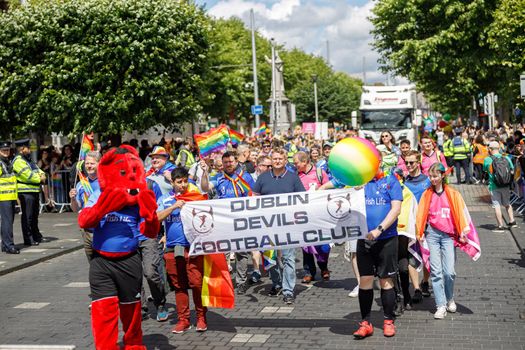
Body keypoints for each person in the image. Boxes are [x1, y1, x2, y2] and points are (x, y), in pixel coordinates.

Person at [78, 145, 160, 350]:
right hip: (101, 263)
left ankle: (133, 345)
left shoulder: (138, 199)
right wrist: (106, 205)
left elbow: (149, 232)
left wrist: (151, 217)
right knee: (103, 310)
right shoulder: (99, 193)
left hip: (129, 261)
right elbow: (84, 220)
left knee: (131, 311)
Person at [353, 160, 402, 339]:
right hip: (363, 239)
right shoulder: (360, 183)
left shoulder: (391, 181)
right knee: (364, 281)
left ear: (379, 163)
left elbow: (396, 209)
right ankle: (366, 323)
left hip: (386, 239)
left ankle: (388, 321)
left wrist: (379, 229)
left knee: (385, 280)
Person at [157, 167, 208, 333]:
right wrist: (173, 207)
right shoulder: (165, 199)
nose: (183, 185)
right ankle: (183, 320)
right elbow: (156, 218)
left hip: (193, 248)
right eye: (179, 182)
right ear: (172, 182)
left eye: (185, 181)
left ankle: (201, 317)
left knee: (196, 283)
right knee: (179, 286)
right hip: (173, 248)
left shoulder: (194, 198)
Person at [415, 163, 469, 319]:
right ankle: (440, 305)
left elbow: (459, 213)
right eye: (430, 176)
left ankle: (449, 297)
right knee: (436, 272)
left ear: (442, 176)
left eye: (435, 176)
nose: (432, 179)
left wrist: (463, 232)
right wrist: (420, 232)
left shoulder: (453, 194)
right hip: (432, 234)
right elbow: (421, 214)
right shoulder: (427, 194)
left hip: (448, 236)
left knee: (449, 272)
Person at [253, 148, 305, 304]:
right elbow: (253, 199)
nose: (277, 161)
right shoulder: (262, 178)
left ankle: (288, 290)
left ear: (285, 160)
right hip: (267, 226)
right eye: (274, 159)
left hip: (288, 225)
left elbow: (302, 199)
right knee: (270, 258)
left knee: (289, 258)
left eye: (280, 159)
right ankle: (277, 283)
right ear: (271, 160)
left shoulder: (293, 178)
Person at [200, 151, 255, 294]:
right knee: (223, 251)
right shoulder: (218, 178)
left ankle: (241, 281)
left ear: (236, 162)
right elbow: (205, 188)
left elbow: (254, 196)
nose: (228, 165)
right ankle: (225, 279)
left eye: (231, 162)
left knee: (241, 252)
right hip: (223, 220)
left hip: (241, 220)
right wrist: (205, 172)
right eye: (226, 163)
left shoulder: (245, 177)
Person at [293, 151, 331, 282]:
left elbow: (330, 189)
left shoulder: (320, 173)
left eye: (296, 163)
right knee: (306, 244)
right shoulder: (295, 175)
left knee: (322, 244)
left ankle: (324, 267)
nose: (294, 165)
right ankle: (309, 271)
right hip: (304, 215)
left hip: (320, 214)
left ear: (305, 162)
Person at [402, 151, 432, 303]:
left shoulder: (427, 181)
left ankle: (425, 282)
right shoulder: (404, 181)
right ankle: (417, 288)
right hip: (410, 225)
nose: (408, 165)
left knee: (427, 255)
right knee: (411, 254)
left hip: (426, 223)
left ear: (418, 162)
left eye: (411, 162)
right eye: (406, 162)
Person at [12, 139, 47, 246]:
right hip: (25, 192)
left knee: (34, 215)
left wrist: (43, 174)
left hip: (34, 191)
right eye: (28, 147)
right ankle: (28, 238)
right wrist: (40, 179)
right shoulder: (18, 161)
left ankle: (36, 235)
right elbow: (28, 175)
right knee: (28, 216)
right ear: (22, 149)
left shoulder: (28, 159)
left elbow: (37, 169)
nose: (30, 150)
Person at [69, 151, 101, 261]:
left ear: (99, 164)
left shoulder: (105, 182)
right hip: (87, 230)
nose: (89, 166)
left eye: (92, 163)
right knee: (92, 262)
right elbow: (76, 209)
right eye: (87, 163)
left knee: (103, 264)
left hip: (102, 228)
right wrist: (72, 198)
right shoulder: (80, 184)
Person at [483, 141, 516, 232]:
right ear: (499, 148)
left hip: (494, 186)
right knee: (507, 203)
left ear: (490, 149)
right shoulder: (506, 158)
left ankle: (500, 226)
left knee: (497, 206)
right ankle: (512, 221)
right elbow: (512, 169)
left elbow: (485, 170)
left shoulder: (487, 159)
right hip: (505, 185)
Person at [0, 141, 19, 254]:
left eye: (7, 150)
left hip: (10, 196)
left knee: (8, 221)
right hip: (3, 197)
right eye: (3, 150)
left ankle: (4, 244)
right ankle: (9, 245)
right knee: (7, 221)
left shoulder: (8, 161)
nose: (6, 152)